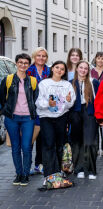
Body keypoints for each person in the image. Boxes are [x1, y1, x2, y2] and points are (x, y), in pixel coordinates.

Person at [0, 53, 38, 186]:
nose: (23, 65)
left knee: (26, 147)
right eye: (20, 62)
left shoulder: (32, 81)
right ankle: (19, 173)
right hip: (12, 118)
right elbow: (2, 98)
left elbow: (35, 99)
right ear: (16, 63)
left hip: (28, 118)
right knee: (15, 147)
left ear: (28, 65)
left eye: (26, 63)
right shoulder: (8, 79)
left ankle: (26, 174)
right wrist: (6, 111)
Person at [35, 61, 75, 184]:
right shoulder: (44, 83)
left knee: (59, 145)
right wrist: (48, 104)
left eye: (62, 69)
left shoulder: (67, 85)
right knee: (48, 145)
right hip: (46, 117)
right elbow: (38, 102)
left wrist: (68, 101)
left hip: (61, 117)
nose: (59, 70)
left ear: (64, 72)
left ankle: (58, 172)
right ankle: (49, 174)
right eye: (57, 67)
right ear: (52, 69)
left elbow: (70, 103)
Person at [70, 61, 99, 180]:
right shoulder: (70, 83)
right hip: (75, 112)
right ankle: (79, 168)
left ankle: (91, 169)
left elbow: (99, 99)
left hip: (89, 112)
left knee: (90, 142)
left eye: (85, 68)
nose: (83, 70)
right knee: (77, 142)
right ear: (77, 69)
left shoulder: (94, 82)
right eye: (81, 68)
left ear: (88, 70)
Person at [27, 47, 50, 175]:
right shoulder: (28, 70)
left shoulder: (49, 71)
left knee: (42, 139)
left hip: (45, 109)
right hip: (30, 109)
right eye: (39, 55)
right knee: (29, 139)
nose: (41, 58)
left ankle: (38, 164)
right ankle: (27, 165)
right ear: (34, 57)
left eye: (44, 56)